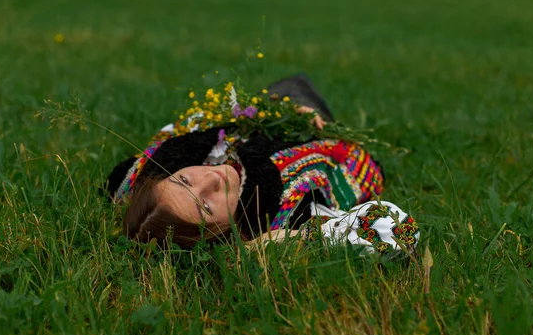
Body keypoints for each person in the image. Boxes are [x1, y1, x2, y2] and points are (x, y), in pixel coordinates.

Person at [106, 75, 419, 253]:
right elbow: (400, 230)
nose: (211, 180)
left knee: (289, 87)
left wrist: (276, 111)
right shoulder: (286, 214)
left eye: (185, 181)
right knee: (301, 90)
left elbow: (166, 142)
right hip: (322, 142)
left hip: (275, 118)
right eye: (206, 207)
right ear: (225, 233)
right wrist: (297, 237)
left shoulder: (165, 166)